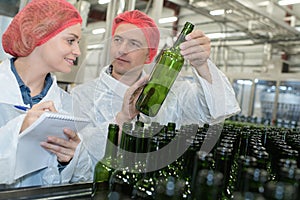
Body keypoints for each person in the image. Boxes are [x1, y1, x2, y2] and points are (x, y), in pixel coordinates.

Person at [71, 10, 241, 163]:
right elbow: (76, 158)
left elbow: (216, 110)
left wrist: (202, 64)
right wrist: (121, 119)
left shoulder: (173, 94)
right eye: (118, 40)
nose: (122, 50)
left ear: (149, 55)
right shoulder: (82, 95)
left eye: (134, 43)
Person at [0, 0, 92, 188]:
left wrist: (69, 159)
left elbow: (84, 178)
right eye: (70, 40)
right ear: (40, 34)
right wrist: (19, 128)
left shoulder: (67, 103)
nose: (77, 51)